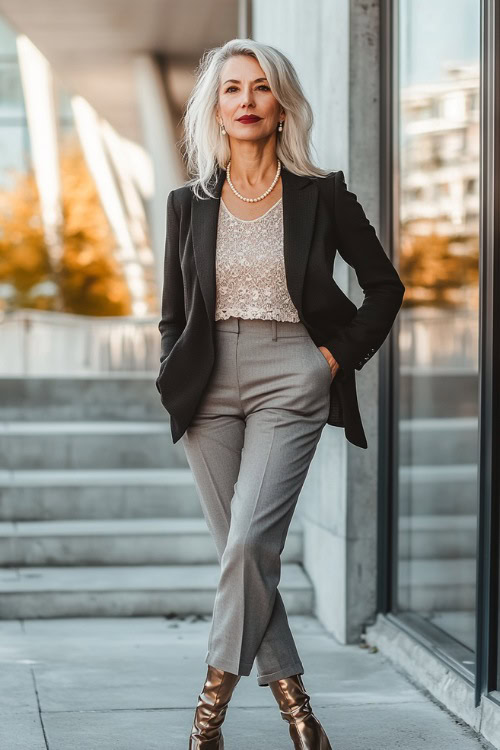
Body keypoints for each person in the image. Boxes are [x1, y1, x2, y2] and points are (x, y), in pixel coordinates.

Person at [155, 38, 405, 750]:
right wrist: (169, 367)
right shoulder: (188, 203)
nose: (245, 101)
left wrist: (332, 358)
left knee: (249, 541)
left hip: (291, 371)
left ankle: (209, 713)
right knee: (245, 556)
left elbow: (385, 286)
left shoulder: (322, 194)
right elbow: (173, 310)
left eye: (260, 88)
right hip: (206, 381)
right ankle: (300, 713)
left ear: (282, 103)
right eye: (232, 89)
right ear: (216, 106)